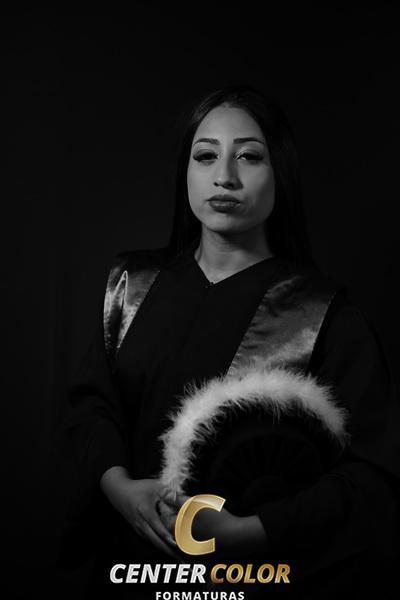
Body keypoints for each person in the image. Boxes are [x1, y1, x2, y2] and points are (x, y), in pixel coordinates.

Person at [55, 85, 400, 599]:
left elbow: (374, 472)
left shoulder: (321, 314)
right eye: (206, 156)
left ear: (280, 172)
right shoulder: (131, 286)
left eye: (249, 156)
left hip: (248, 580)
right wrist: (118, 486)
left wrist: (254, 531)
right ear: (186, 172)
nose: (225, 177)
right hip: (126, 570)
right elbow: (91, 406)